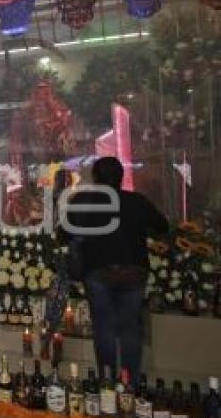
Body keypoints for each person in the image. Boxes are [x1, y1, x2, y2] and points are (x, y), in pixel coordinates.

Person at [66, 156, 168, 382]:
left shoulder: (84, 201)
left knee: (104, 327)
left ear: (95, 177)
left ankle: (108, 383)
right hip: (134, 271)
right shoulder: (137, 201)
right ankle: (129, 383)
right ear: (121, 178)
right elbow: (163, 226)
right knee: (130, 326)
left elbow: (64, 233)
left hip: (98, 272)